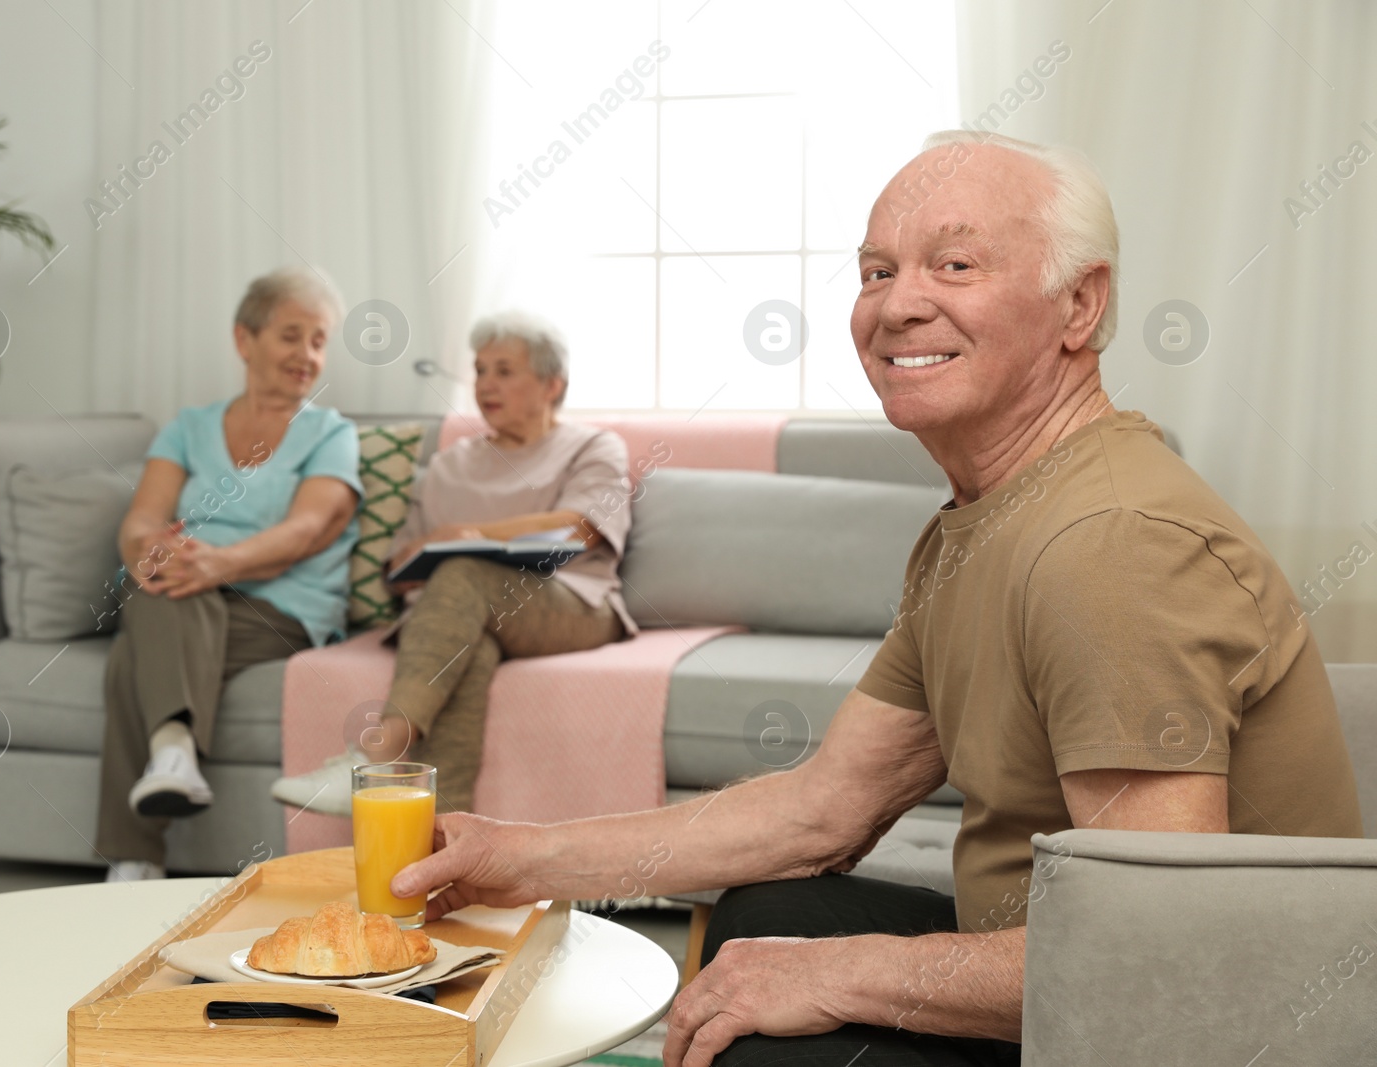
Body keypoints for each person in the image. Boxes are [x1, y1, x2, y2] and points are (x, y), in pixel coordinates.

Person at [383, 132, 1364, 1066]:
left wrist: (845, 971)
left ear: (1078, 305)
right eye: (875, 270)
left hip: (1199, 1024)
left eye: (955, 265)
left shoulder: (1109, 545)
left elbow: (1158, 949)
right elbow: (823, 809)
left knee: (783, 997)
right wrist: (522, 855)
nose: (896, 305)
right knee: (765, 918)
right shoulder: (976, 522)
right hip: (1057, 959)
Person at [271, 311, 636, 815]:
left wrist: (471, 536)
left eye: (504, 371)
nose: (486, 384)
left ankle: (375, 759)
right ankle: (444, 855)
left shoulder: (593, 445)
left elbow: (582, 525)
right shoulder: (450, 462)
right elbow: (398, 563)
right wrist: (421, 557)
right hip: (465, 617)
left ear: (553, 384)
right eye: (481, 370)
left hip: (571, 607)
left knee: (462, 573)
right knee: (471, 647)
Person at [94, 267, 363, 883]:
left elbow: (305, 532)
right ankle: (170, 761)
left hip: (280, 609)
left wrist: (218, 563)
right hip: (182, 591)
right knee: (156, 585)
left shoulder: (331, 434)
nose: (307, 355)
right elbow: (141, 521)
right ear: (246, 340)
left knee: (134, 653)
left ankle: (137, 852)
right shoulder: (188, 427)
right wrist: (149, 553)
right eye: (291, 336)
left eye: (319, 341)